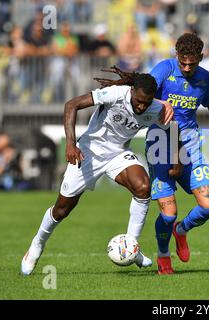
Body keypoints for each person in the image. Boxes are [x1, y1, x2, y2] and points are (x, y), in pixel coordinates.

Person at [96, 33, 209, 275]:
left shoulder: (205, 79)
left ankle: (181, 232)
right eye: (183, 62)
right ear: (176, 56)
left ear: (201, 58)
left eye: (192, 64)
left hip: (190, 145)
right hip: (160, 144)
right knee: (169, 213)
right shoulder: (165, 69)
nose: (187, 68)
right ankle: (163, 255)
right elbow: (145, 87)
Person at [21, 72, 174, 275]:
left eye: (146, 103)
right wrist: (70, 144)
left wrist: (174, 155)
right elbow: (71, 105)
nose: (141, 107)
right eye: (138, 101)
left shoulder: (155, 108)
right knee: (61, 210)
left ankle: (131, 245)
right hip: (88, 153)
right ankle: (36, 245)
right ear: (131, 91)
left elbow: (171, 128)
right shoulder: (115, 94)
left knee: (143, 187)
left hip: (118, 154)